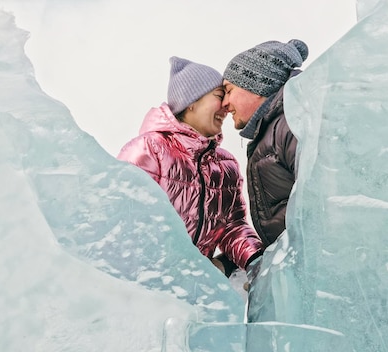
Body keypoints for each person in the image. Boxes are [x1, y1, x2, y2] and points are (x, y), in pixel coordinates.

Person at [118, 56, 263, 278]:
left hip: (197, 294)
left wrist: (256, 259)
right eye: (218, 96)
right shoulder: (148, 149)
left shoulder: (227, 165)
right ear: (191, 102)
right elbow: (123, 220)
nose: (226, 106)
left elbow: (232, 227)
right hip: (147, 289)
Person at [222, 39, 309, 252]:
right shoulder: (273, 131)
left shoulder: (293, 125)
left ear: (257, 85)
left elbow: (321, 211)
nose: (224, 104)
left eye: (229, 90)